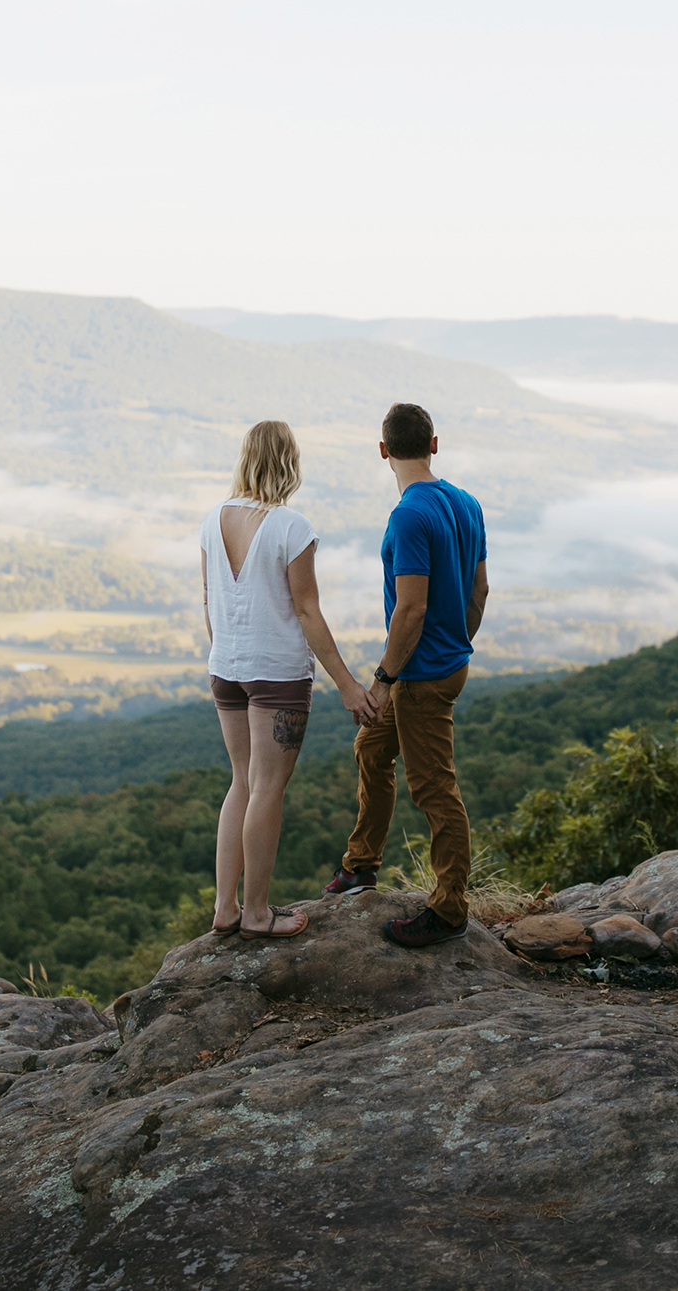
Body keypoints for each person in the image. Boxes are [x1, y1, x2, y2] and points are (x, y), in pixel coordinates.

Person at [323, 402, 489, 947]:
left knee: (436, 790)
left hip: (418, 677)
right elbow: (479, 590)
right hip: (440, 664)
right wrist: (459, 642)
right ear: (434, 444)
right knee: (372, 750)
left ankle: (448, 910)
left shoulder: (410, 515)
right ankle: (361, 865)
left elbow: (410, 610)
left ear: (383, 450)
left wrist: (383, 679)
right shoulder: (466, 504)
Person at [200, 419, 371, 940]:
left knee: (242, 783)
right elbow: (307, 612)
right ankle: (256, 914)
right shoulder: (291, 527)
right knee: (268, 789)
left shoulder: (214, 518)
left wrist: (227, 650)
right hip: (276, 676)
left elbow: (210, 603)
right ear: (289, 463)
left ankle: (226, 908)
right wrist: (346, 683)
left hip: (224, 667)